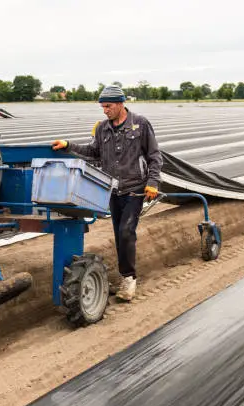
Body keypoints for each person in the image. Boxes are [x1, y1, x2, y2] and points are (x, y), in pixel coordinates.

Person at [52, 85, 162, 301]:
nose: (105, 110)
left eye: (108, 106)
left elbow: (154, 156)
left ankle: (129, 280)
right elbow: (93, 153)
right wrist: (68, 145)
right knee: (119, 235)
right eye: (102, 107)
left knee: (126, 232)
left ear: (121, 104)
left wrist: (153, 182)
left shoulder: (140, 124)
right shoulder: (103, 128)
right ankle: (124, 276)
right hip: (113, 190)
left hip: (135, 189)